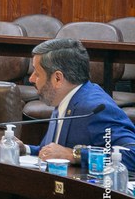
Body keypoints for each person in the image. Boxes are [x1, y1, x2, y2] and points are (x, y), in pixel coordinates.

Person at [16, 38, 135, 171]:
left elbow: (132, 155)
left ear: (58, 78)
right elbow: (55, 152)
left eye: (37, 73)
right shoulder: (63, 99)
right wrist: (25, 149)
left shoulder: (95, 108)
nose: (31, 79)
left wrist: (73, 155)